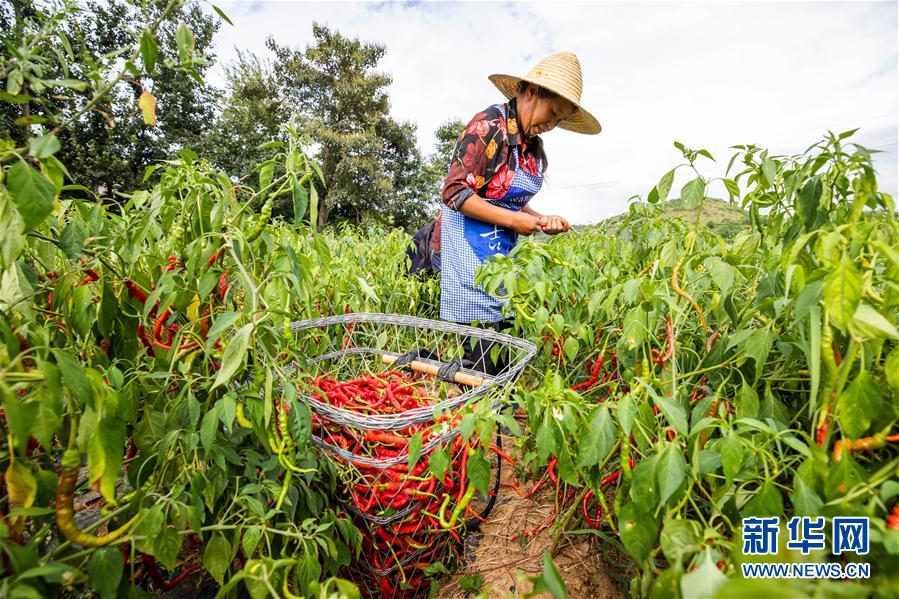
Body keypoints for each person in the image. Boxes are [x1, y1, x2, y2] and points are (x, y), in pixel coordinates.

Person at [430, 51, 602, 375]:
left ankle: (498, 413)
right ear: (532, 92)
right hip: (469, 252)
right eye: (553, 113)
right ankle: (479, 418)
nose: (552, 125)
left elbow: (508, 196)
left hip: (500, 255)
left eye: (560, 120)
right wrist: (514, 221)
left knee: (505, 342)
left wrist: (537, 218)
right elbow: (454, 192)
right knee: (481, 351)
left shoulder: (531, 146)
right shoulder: (489, 127)